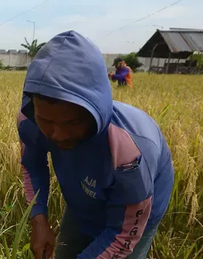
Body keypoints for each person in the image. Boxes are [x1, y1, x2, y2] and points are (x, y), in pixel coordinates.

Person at [17, 30, 174, 259]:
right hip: (83, 198)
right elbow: (32, 165)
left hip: (134, 211)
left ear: (96, 111)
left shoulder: (130, 150)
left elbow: (122, 236)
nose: (58, 134)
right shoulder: (29, 120)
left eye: (73, 122)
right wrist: (38, 219)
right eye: (47, 121)